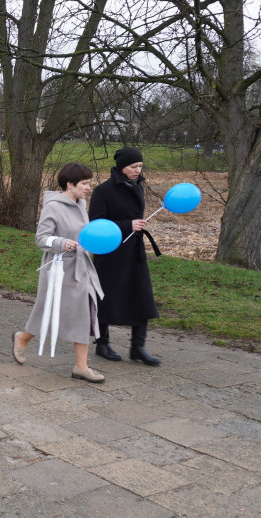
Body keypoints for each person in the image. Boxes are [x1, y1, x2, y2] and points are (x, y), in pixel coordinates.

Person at [12, 163, 106, 383]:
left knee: (84, 312)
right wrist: (62, 243)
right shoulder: (53, 206)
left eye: (89, 183)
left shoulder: (81, 204)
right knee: (47, 311)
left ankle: (81, 366)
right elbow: (41, 238)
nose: (88, 188)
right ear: (70, 184)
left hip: (81, 268)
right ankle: (22, 338)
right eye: (84, 183)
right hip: (58, 270)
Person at [89, 146, 163, 366]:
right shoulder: (103, 191)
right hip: (110, 255)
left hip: (135, 253)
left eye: (140, 166)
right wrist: (127, 225)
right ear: (122, 167)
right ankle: (102, 344)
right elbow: (96, 224)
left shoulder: (138, 187)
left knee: (142, 297)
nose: (138, 170)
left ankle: (138, 347)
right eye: (133, 166)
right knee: (106, 298)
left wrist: (136, 227)